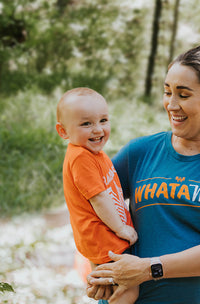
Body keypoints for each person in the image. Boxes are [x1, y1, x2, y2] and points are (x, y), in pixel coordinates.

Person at [86, 45, 200, 304]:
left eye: (183, 95)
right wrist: (98, 269)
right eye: (167, 91)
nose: (171, 104)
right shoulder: (140, 152)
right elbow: (87, 207)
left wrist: (148, 269)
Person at [56, 87, 139, 304]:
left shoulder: (92, 153)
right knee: (128, 290)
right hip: (103, 238)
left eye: (103, 120)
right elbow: (99, 198)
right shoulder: (81, 158)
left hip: (101, 238)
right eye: (86, 124)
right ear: (63, 131)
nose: (98, 129)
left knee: (108, 290)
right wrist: (121, 228)